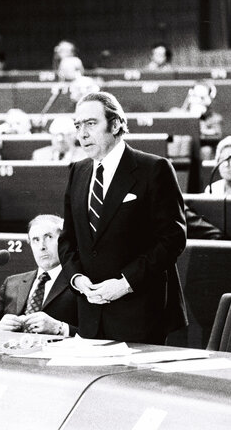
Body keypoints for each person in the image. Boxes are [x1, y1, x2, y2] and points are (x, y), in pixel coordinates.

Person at [59, 91, 187, 344]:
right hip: (90, 311)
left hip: (139, 311)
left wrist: (124, 283)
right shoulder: (78, 171)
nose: (82, 134)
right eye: (77, 125)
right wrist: (78, 279)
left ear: (116, 124)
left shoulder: (154, 168)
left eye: (91, 123)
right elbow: (68, 240)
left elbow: (172, 239)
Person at [0, 214, 78, 336]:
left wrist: (60, 328)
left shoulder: (79, 282)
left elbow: (99, 336)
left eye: (48, 237)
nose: (42, 246)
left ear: (64, 241)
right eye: (35, 240)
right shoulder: (12, 283)